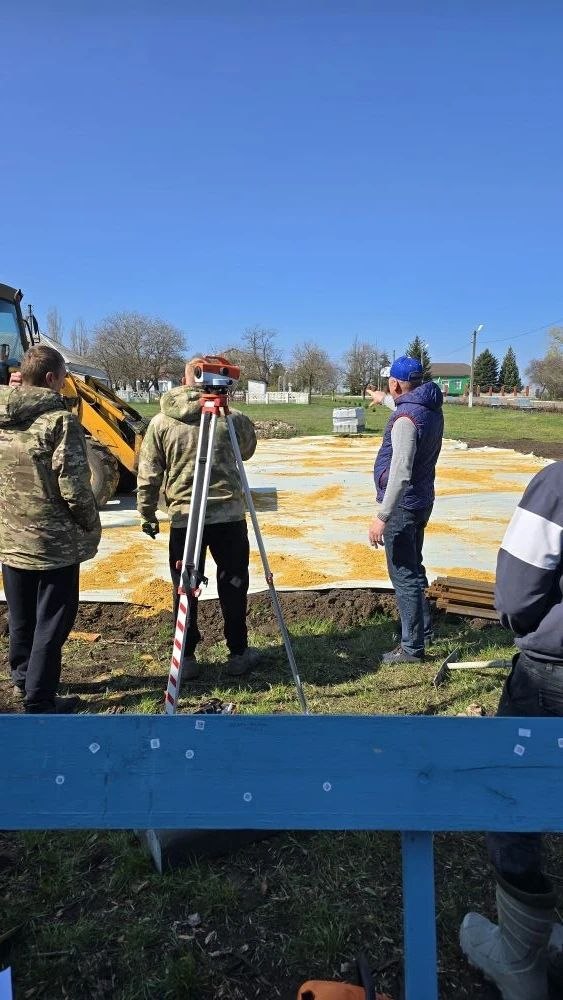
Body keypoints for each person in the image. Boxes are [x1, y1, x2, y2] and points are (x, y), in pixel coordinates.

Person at [460, 462, 563, 1000]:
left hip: (552, 677)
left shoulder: (558, 484)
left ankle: (520, 962)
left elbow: (517, 593)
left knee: (513, 803)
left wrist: (530, 628)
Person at [136, 358, 259, 679]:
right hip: (228, 517)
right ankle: (238, 651)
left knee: (185, 587)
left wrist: (147, 512)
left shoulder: (162, 422)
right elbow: (247, 451)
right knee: (234, 584)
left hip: (184, 518)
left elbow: (148, 472)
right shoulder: (231, 419)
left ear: (184, 380)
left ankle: (186, 656)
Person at [0, 344, 101, 713]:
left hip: (10, 538)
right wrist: (90, 524)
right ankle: (40, 698)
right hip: (52, 544)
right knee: (52, 621)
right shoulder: (60, 422)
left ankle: (22, 677)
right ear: (50, 378)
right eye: (62, 378)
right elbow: (74, 487)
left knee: (21, 614)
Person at [366, 355, 443, 664]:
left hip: (403, 506)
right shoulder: (428, 408)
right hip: (422, 501)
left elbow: (400, 473)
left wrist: (382, 516)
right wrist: (382, 398)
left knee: (404, 575)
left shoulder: (405, 421)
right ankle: (423, 631)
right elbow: (405, 410)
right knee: (414, 566)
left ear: (395, 383)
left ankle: (412, 648)